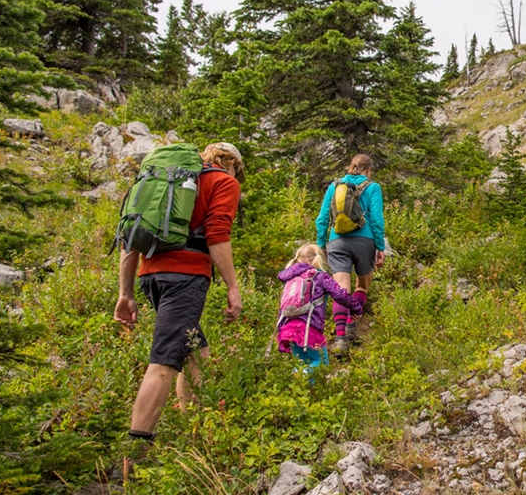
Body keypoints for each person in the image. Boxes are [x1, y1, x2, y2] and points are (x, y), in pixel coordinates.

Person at [114, 142, 245, 446]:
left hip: (151, 275)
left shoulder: (165, 178)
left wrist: (126, 293)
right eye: (238, 171)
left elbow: (130, 236)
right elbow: (217, 235)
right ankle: (137, 446)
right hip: (185, 278)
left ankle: (194, 425)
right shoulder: (223, 182)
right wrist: (233, 287)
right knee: (166, 358)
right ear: (233, 165)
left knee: (196, 349)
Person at [315, 154, 385, 352]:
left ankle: (340, 338)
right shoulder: (373, 187)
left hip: (338, 242)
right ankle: (351, 324)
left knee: (341, 291)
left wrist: (321, 245)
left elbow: (322, 218)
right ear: (369, 170)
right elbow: (377, 219)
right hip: (365, 241)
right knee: (361, 286)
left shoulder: (335, 186)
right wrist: (380, 247)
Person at [276, 243, 363, 377]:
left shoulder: (290, 278)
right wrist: (355, 307)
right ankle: (305, 378)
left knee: (301, 363)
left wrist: (280, 330)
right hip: (309, 328)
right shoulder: (320, 276)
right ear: (316, 259)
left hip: (288, 329)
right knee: (320, 363)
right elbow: (339, 295)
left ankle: (298, 384)